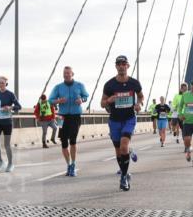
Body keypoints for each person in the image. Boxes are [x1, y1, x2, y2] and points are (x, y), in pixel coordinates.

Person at [100, 56, 144, 191]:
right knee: (119, 151)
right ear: (116, 66)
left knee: (123, 145)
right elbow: (102, 103)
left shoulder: (134, 83)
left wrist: (138, 104)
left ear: (128, 66)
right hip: (114, 120)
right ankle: (127, 159)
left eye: (123, 63)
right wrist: (109, 101)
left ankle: (124, 177)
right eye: (118, 64)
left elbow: (141, 96)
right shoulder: (109, 85)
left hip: (129, 119)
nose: (121, 66)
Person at [49, 66, 90, 177]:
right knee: (63, 142)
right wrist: (58, 100)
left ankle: (73, 165)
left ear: (72, 74)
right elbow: (50, 100)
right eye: (65, 73)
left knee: (73, 140)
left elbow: (86, 96)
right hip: (62, 117)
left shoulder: (79, 85)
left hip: (75, 116)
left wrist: (81, 99)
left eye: (68, 73)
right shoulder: (58, 87)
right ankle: (69, 164)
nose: (66, 74)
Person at [0, 76, 20, 172]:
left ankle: (10, 163)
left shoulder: (10, 94)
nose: (0, 84)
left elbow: (18, 106)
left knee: (6, 144)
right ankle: (0, 161)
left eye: (2, 83)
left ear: (6, 84)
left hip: (7, 122)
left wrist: (10, 107)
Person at [170, 82, 187, 147]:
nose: (183, 90)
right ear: (180, 89)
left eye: (185, 89)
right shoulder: (176, 96)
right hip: (175, 114)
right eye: (182, 89)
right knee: (174, 126)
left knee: (184, 130)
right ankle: (174, 131)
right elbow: (173, 104)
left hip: (183, 115)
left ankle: (186, 145)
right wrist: (174, 107)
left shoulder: (188, 95)